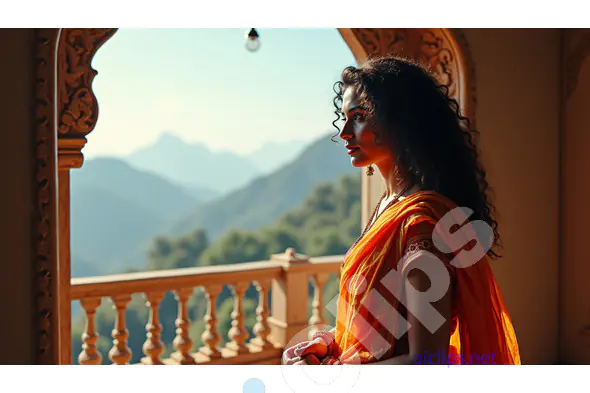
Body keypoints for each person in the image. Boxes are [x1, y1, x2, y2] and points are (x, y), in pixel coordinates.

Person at [283, 55, 521, 366]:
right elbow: (381, 317)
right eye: (343, 117)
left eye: (358, 116)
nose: (343, 132)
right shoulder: (387, 205)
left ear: (401, 120)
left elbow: (426, 361)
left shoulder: (422, 225)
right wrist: (329, 342)